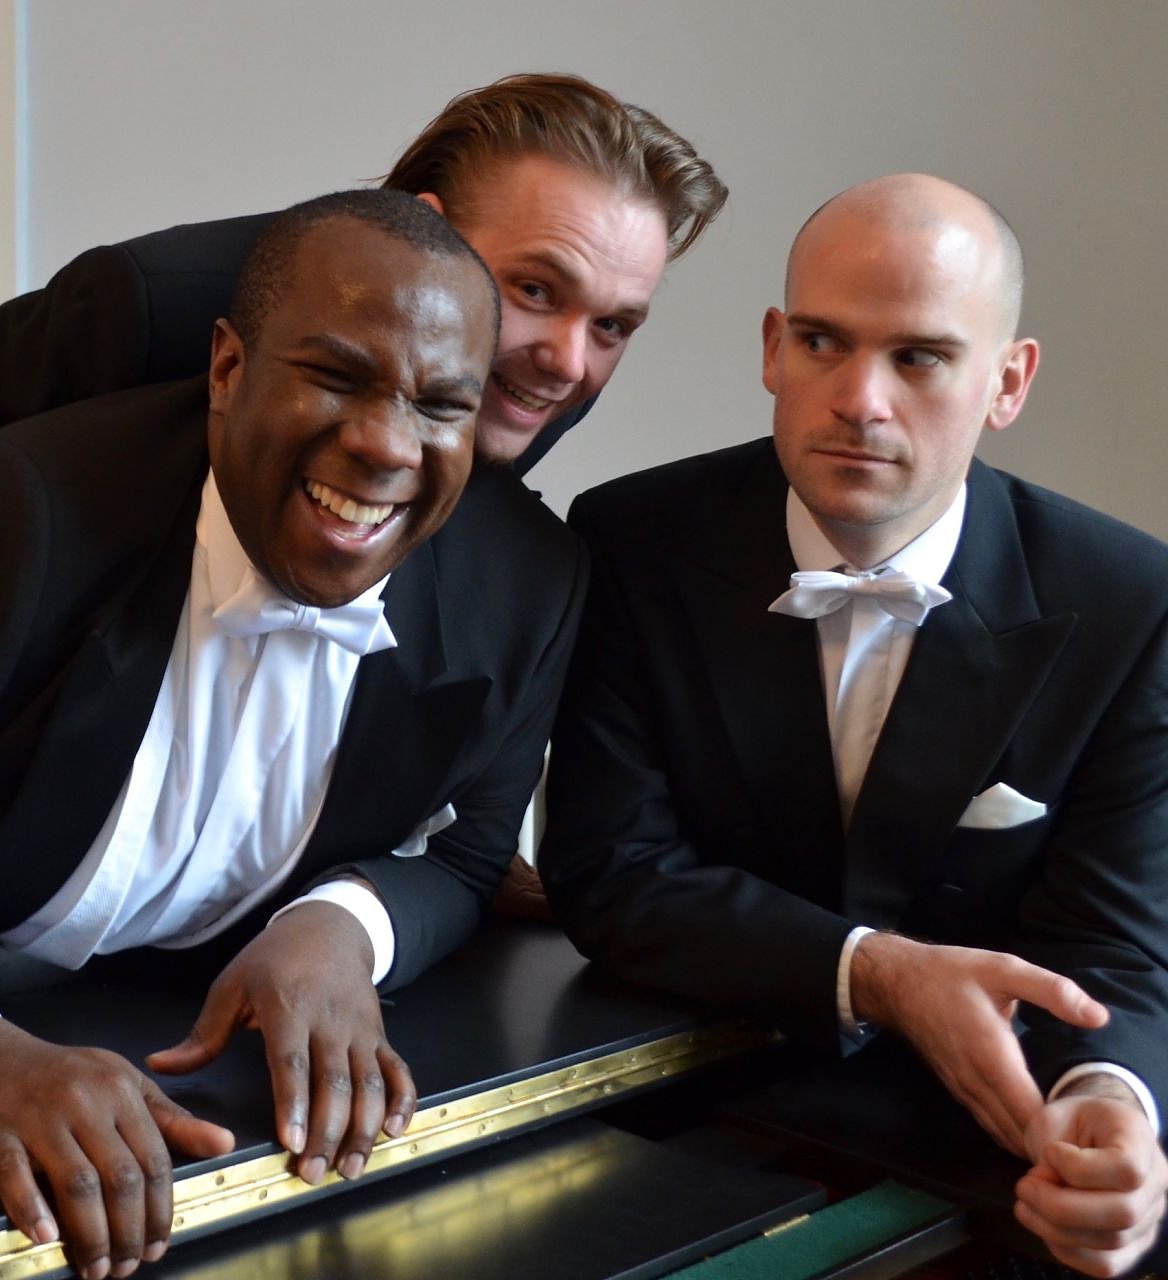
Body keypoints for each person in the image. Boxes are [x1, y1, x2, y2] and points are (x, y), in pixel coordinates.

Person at [540, 173, 1168, 1276]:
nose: (859, 400)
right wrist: (879, 972)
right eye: (823, 343)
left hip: (986, 1139)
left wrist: (1106, 1097)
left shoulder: (1130, 600)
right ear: (772, 348)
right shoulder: (631, 537)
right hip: (683, 1114)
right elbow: (612, 870)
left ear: (1007, 382)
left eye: (919, 357)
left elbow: (1114, 940)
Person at [0, 188, 587, 1279]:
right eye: (336, 377)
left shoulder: (526, 583)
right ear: (227, 368)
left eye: (440, 404)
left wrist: (338, 925)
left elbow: (470, 852)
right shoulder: (24, 512)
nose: (384, 445)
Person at [0, 72, 727, 473]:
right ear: (426, 233)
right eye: (535, 290)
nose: (569, 364)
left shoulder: (531, 383)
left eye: (612, 324)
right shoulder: (147, 307)